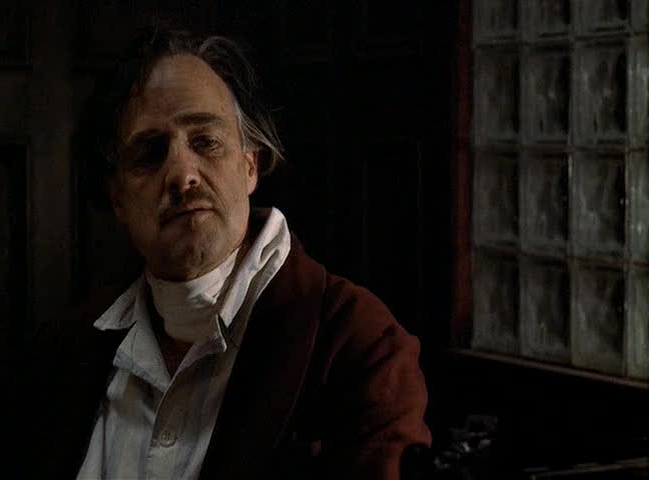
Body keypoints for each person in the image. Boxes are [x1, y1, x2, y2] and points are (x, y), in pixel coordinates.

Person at [25, 27, 431, 480]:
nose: (182, 176)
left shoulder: (357, 342)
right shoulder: (60, 353)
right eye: (150, 154)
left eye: (206, 141)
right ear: (117, 198)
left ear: (250, 164)